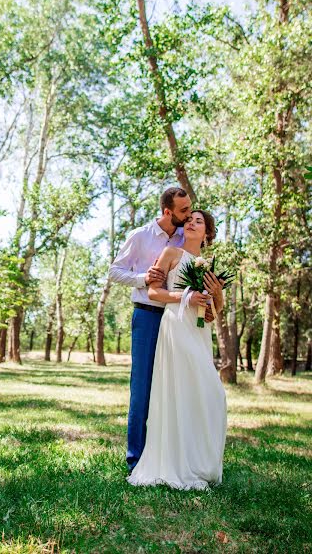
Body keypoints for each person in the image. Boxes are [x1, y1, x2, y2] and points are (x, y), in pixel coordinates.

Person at [109, 187, 211, 473]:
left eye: (190, 209)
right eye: (183, 211)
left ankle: (170, 455)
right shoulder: (140, 236)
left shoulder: (184, 237)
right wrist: (143, 278)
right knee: (141, 389)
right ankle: (136, 460)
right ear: (168, 212)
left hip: (178, 321)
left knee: (172, 388)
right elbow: (115, 271)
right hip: (147, 316)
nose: (189, 214)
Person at [128, 210, 227, 490]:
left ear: (207, 233)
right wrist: (185, 296)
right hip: (175, 324)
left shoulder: (208, 266)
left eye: (199, 221)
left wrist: (212, 304)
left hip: (198, 331)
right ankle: (174, 462)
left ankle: (199, 460)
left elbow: (214, 309)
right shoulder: (171, 252)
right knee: (179, 391)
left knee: (209, 394)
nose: (192, 223)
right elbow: (154, 292)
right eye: (190, 219)